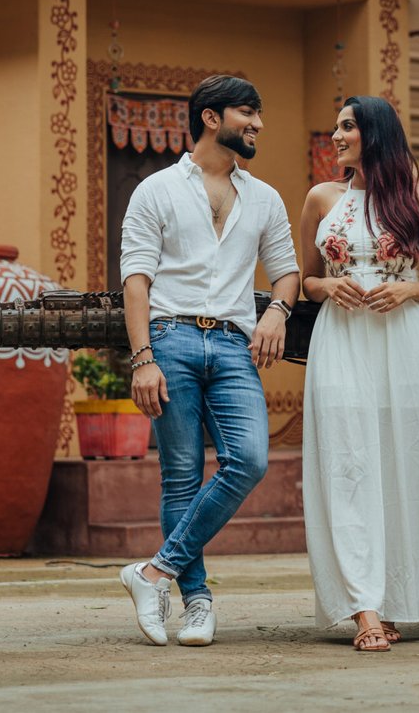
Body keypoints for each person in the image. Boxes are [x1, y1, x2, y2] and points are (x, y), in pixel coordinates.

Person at [118, 75, 301, 647]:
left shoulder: (265, 198)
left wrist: (277, 312)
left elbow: (287, 270)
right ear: (211, 118)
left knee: (247, 459)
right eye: (249, 112)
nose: (259, 124)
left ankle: (154, 574)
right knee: (179, 476)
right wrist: (142, 358)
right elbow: (136, 281)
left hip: (232, 344)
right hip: (169, 338)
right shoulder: (155, 191)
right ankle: (197, 601)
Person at [298, 95, 419, 652]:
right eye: (337, 125)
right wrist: (327, 286)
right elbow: (305, 281)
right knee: (347, 466)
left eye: (347, 126)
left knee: (400, 465)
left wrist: (407, 288)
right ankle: (363, 609)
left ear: (375, 133)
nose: (337, 135)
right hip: (341, 341)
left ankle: (392, 599)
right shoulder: (321, 198)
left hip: (404, 345)